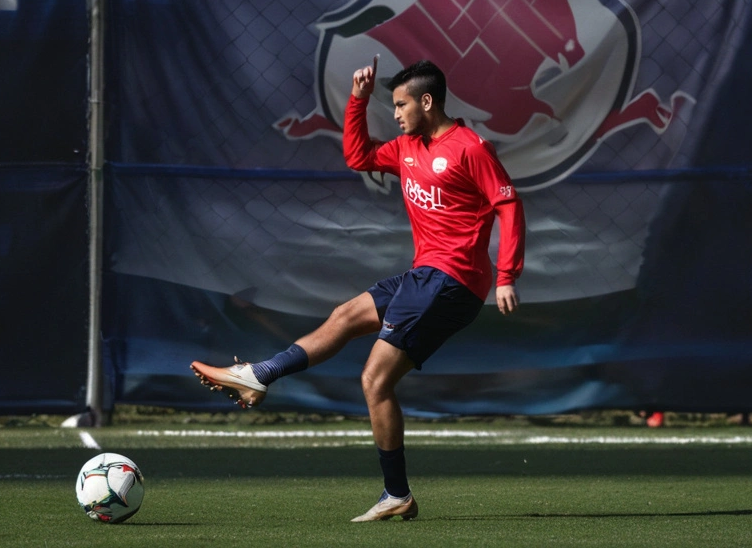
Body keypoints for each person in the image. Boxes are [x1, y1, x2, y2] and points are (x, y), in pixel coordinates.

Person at [191, 58, 525, 522]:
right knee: (345, 316)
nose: (397, 113)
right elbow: (359, 157)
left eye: (402, 104)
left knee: (374, 380)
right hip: (422, 275)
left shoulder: (470, 148)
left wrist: (507, 274)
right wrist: (357, 100)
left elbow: (508, 205)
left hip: (452, 282)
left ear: (427, 102)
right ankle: (258, 375)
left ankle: (397, 495)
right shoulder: (408, 146)